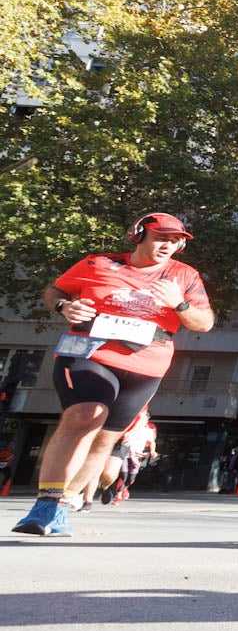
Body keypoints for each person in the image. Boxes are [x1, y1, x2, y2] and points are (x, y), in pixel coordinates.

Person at [13, 213, 213, 536]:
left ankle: (62, 506)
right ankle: (44, 505)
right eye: (162, 237)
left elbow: (204, 323)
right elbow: (54, 290)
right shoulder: (97, 263)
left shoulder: (185, 276)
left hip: (147, 365)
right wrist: (64, 307)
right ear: (139, 235)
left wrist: (180, 305)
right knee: (87, 415)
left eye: (176, 240)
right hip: (89, 351)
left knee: (105, 437)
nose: (169, 245)